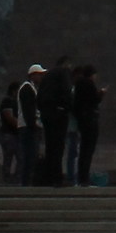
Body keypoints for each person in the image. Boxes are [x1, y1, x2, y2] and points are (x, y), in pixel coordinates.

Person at [37, 55, 73, 187]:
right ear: (66, 64)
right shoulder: (63, 73)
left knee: (50, 146)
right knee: (58, 146)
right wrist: (67, 107)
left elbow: (39, 96)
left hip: (46, 114)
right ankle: (58, 178)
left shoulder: (47, 75)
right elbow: (67, 91)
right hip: (58, 114)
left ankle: (49, 177)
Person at [71, 63, 105, 187]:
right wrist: (101, 94)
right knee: (88, 150)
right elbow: (94, 100)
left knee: (83, 151)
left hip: (82, 121)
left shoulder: (77, 85)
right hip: (90, 120)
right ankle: (84, 178)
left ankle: (81, 177)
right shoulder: (89, 84)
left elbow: (75, 105)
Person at [18, 64, 44, 188]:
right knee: (29, 156)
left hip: (30, 126)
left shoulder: (32, 88)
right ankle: (26, 182)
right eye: (39, 74)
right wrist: (33, 125)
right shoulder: (27, 88)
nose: (41, 77)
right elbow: (28, 110)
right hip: (28, 127)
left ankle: (27, 181)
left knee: (31, 156)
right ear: (33, 75)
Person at [0, 82, 21, 185]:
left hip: (13, 134)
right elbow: (9, 117)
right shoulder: (8, 101)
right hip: (9, 134)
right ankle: (8, 179)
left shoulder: (14, 102)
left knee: (18, 157)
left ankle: (15, 179)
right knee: (10, 158)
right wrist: (21, 125)